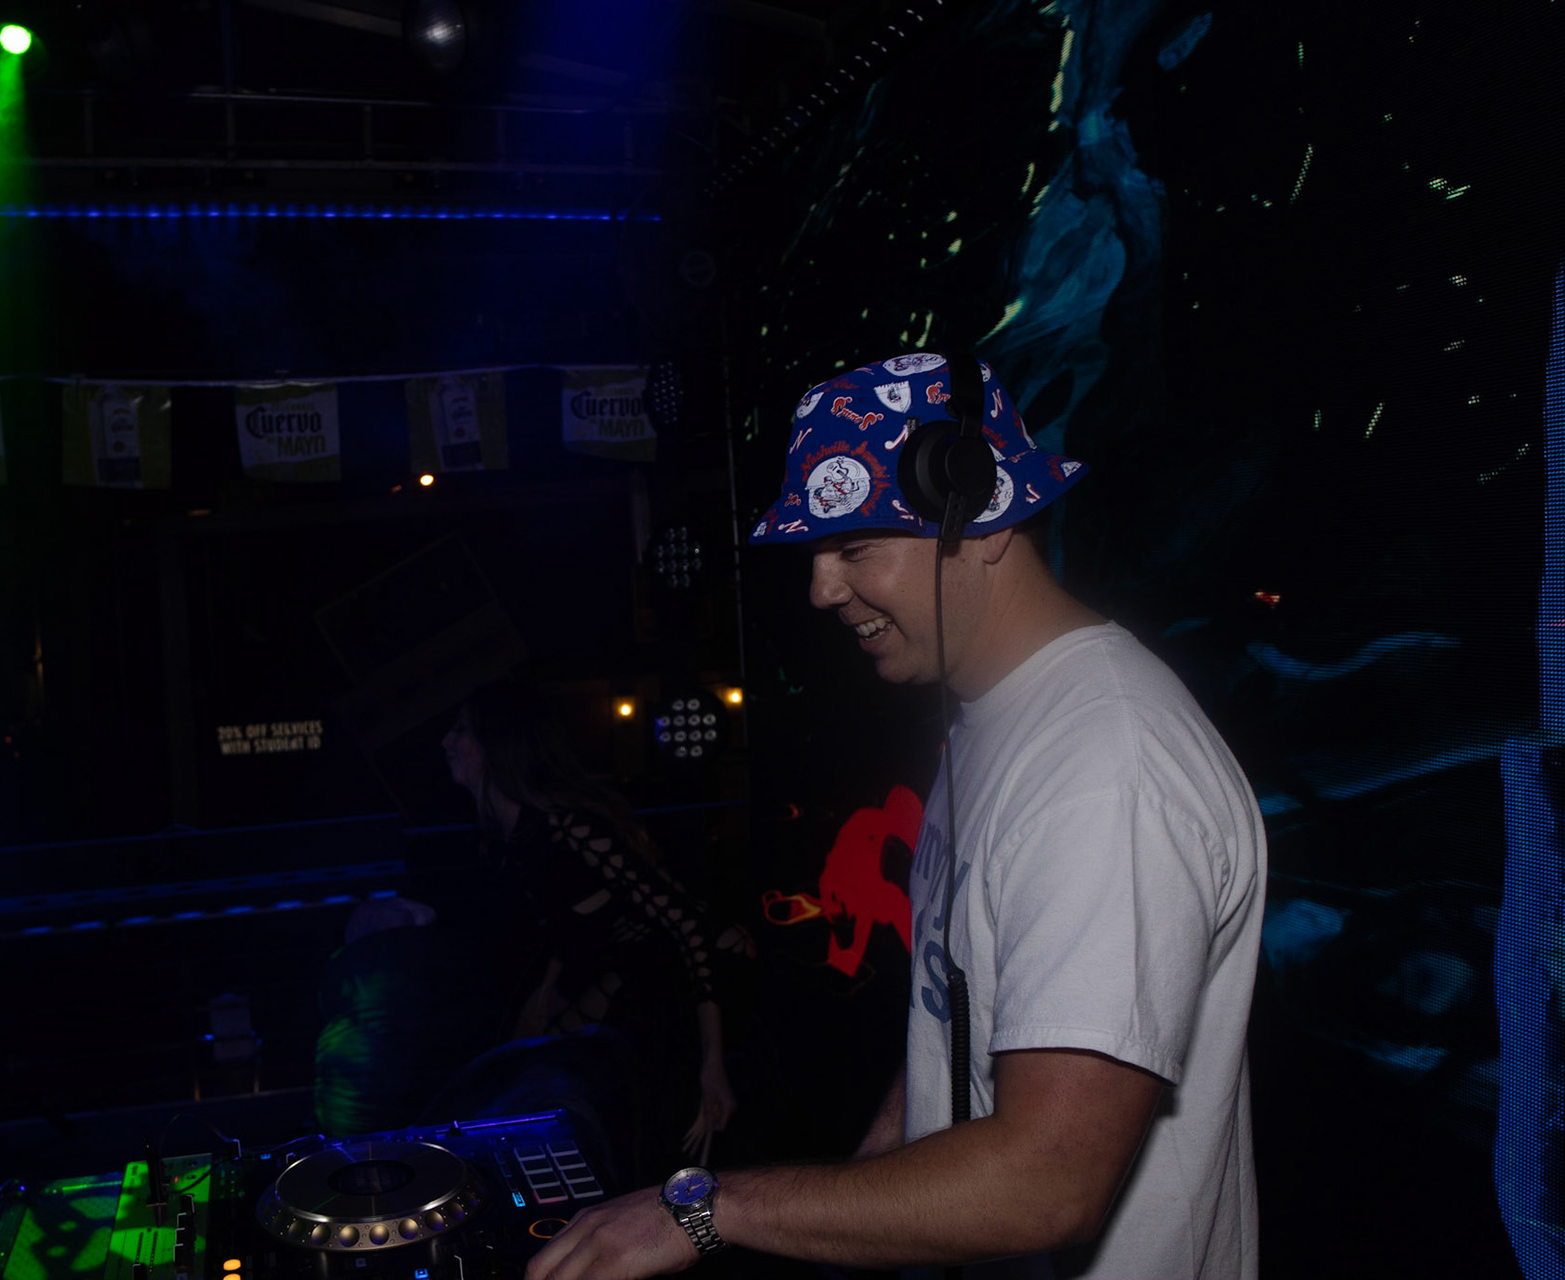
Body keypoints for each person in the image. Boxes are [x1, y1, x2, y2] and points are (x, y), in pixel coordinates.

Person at [525, 352, 1266, 1279]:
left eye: (855, 547)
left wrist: (712, 1210)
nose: (821, 591)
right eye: (815, 555)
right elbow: (960, 1008)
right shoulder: (991, 718)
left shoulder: (1106, 772)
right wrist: (872, 1180)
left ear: (980, 515)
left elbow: (1051, 1182)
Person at [442, 682, 753, 1172]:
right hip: (640, 981)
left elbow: (685, 924)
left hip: (689, 982)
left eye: (460, 730)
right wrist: (542, 999)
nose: (446, 742)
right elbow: (568, 928)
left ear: (495, 742)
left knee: (653, 1140)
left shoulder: (567, 827)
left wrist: (712, 1063)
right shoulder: (515, 838)